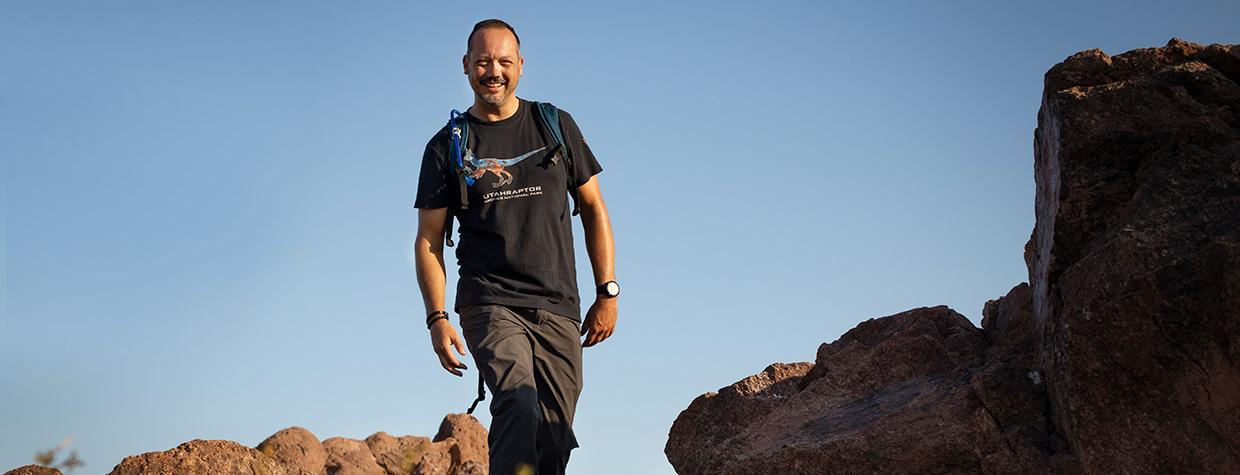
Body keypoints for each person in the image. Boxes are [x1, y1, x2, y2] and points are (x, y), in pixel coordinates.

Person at [412, 18, 619, 475]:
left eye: (504, 61)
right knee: (517, 403)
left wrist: (608, 291)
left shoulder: (555, 126)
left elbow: (594, 208)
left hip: (558, 304)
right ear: (466, 66)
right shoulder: (447, 146)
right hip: (489, 301)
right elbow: (429, 241)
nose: (494, 71)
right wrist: (437, 317)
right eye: (483, 61)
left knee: (553, 435)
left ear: (521, 66)